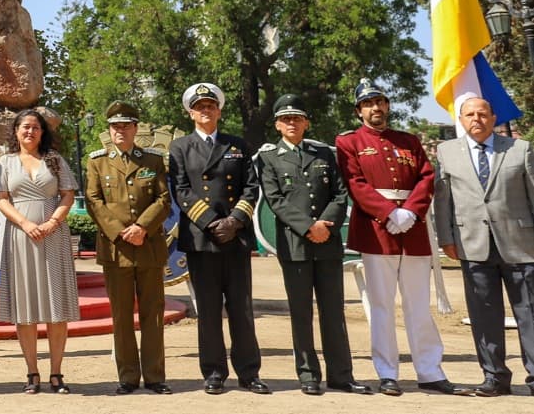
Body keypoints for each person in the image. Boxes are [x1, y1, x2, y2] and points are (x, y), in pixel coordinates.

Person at [336, 79, 459, 396]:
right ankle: (387, 372)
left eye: (380, 101)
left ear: (387, 105)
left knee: (419, 305)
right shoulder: (349, 142)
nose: (375, 108)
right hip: (377, 230)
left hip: (413, 230)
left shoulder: (409, 141)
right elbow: (355, 183)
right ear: (359, 111)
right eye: (368, 104)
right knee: (382, 306)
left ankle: (430, 371)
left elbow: (426, 177)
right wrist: (389, 213)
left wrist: (411, 213)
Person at [257, 95, 368, 395]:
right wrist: (308, 227)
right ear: (278, 125)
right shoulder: (269, 158)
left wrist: (324, 225)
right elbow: (275, 200)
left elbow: (340, 194)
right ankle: (308, 375)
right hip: (295, 245)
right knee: (301, 313)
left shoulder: (324, 154)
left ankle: (341, 375)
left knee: (334, 312)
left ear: (306, 122)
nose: (292, 123)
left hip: (327, 243)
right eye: (286, 119)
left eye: (297, 118)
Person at [168, 82, 267, 394]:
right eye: (200, 107)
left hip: (235, 238)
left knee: (241, 309)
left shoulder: (237, 145)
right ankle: (213, 372)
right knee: (209, 311)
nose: (206, 111)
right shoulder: (180, 147)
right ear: (191, 113)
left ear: (219, 111)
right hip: (202, 239)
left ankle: (249, 373)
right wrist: (212, 222)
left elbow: (251, 187)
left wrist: (235, 221)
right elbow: (181, 190)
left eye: (211, 106)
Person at [434, 94, 534, 397]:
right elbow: (443, 201)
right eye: (469, 115)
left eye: (482, 114)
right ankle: (495, 378)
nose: (476, 119)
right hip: (471, 245)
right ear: (461, 120)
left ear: (493, 119)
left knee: (529, 313)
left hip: (521, 245)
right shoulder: (446, 152)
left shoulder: (520, 149)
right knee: (484, 315)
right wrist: (446, 238)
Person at [84, 101, 171, 395]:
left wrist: (142, 228)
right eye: (115, 126)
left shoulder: (153, 160)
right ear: (109, 131)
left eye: (125, 126)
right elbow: (93, 200)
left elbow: (163, 199)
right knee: (121, 316)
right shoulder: (97, 162)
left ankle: (155, 376)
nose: (120, 131)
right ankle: (128, 377)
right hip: (116, 248)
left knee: (153, 314)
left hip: (149, 246)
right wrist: (120, 232)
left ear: (135, 129)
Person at [0, 108, 79, 395]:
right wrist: (26, 223)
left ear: (43, 132)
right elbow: (2, 199)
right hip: (21, 236)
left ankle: (56, 373)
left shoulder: (54, 160)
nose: (30, 131)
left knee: (56, 305)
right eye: (25, 127)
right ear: (16, 131)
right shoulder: (5, 162)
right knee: (25, 306)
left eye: (35, 127)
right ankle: (32, 372)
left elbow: (68, 194)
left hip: (53, 236)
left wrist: (53, 221)